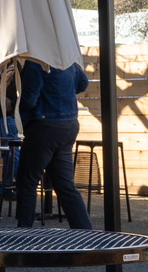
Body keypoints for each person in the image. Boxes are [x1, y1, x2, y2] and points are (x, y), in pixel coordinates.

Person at [15, 58, 92, 229]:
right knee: (65, 186)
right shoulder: (65, 58)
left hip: (44, 126)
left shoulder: (36, 61)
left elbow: (29, 100)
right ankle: (86, 233)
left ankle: (23, 235)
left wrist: (11, 105)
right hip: (68, 124)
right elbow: (83, 83)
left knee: (27, 181)